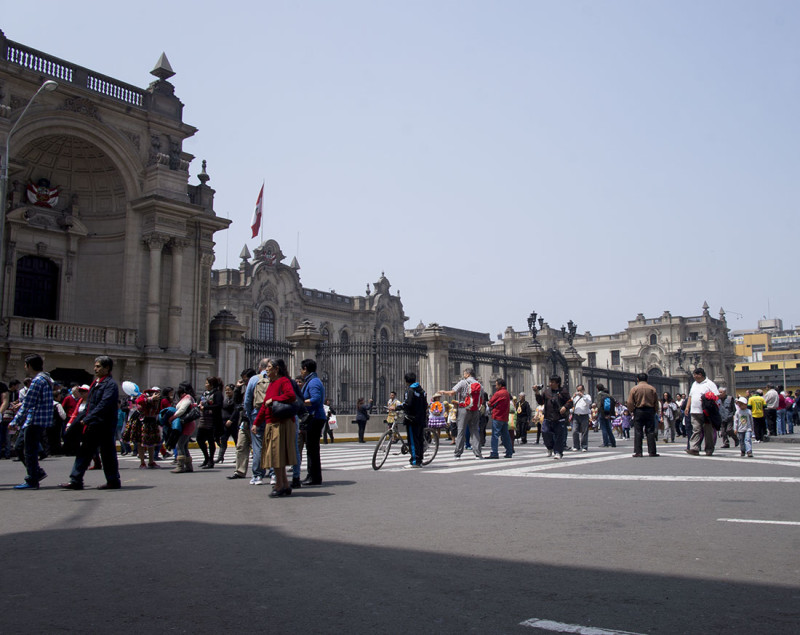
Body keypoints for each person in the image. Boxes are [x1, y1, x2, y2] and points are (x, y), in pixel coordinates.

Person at [60, 356, 121, 490]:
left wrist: (87, 419)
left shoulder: (110, 385)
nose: (95, 369)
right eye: (95, 366)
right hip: (93, 423)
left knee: (107, 453)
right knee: (85, 451)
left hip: (104, 424)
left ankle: (113, 480)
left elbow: (104, 404)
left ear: (107, 368)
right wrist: (82, 418)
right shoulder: (96, 383)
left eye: (98, 366)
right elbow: (90, 405)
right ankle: (76, 479)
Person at [252, 359, 296, 497]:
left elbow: (291, 395)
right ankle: (285, 484)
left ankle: (279, 485)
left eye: (269, 367)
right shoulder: (271, 384)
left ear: (276, 369)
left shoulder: (283, 381)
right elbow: (265, 406)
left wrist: (275, 399)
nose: (267, 370)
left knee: (276, 456)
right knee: (277, 456)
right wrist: (256, 423)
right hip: (271, 423)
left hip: (281, 423)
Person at [10, 354, 54, 489]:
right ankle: (36, 472)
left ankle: (32, 479)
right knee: (21, 447)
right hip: (39, 420)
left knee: (29, 450)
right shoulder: (47, 379)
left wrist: (15, 421)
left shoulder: (37, 381)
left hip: (34, 420)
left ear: (29, 366)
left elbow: (28, 403)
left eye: (25, 364)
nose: (25, 367)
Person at [440, 367, 483, 460]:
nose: (463, 375)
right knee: (475, 431)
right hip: (475, 410)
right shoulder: (479, 384)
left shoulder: (463, 382)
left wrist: (443, 392)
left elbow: (452, 393)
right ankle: (478, 453)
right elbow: (482, 397)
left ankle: (458, 453)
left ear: (467, 374)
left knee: (461, 431)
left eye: (464, 374)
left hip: (464, 408)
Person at [300, 358, 326, 487]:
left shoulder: (313, 382)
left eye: (302, 369)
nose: (301, 372)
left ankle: (314, 477)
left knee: (312, 449)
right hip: (316, 417)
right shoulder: (313, 380)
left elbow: (315, 399)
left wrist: (300, 402)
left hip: (314, 417)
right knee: (311, 448)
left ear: (305, 369)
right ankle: (313, 475)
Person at [534, 376, 572, 460]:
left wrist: (565, 407)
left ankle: (558, 452)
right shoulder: (546, 392)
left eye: (552, 382)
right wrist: (537, 392)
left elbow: (570, 401)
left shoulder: (563, 391)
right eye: (550, 382)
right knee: (545, 432)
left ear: (557, 383)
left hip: (559, 418)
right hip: (548, 417)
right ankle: (550, 447)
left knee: (558, 436)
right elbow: (541, 402)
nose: (550, 384)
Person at [244, 359, 270, 485]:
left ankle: (257, 475)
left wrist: (251, 416)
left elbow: (247, 400)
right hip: (271, 415)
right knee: (271, 444)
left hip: (257, 414)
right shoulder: (275, 378)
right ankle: (274, 474)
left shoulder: (254, 379)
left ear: (260, 367)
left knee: (258, 445)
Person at [684, 367, 719, 456]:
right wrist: (687, 407)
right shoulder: (694, 384)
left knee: (708, 431)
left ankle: (709, 449)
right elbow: (690, 396)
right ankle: (694, 448)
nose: (694, 377)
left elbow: (716, 397)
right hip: (694, 411)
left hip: (706, 412)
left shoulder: (710, 384)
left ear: (700, 375)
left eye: (695, 375)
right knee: (696, 430)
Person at [228, 369, 255, 480]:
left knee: (260, 448)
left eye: (245, 379)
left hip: (255, 422)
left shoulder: (257, 390)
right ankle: (240, 471)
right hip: (244, 422)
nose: (244, 382)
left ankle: (266, 470)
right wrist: (237, 388)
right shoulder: (245, 393)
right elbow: (236, 403)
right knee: (241, 446)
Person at [626, 372, 660, 458]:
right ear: (647, 379)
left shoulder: (634, 389)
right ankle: (652, 451)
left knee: (638, 432)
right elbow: (656, 401)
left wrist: (632, 410)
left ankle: (638, 452)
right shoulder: (652, 388)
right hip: (650, 410)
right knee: (650, 431)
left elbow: (630, 402)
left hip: (639, 410)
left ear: (637, 379)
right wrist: (655, 410)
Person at [400, 371, 428, 468]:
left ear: (406, 381)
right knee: (419, 439)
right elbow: (425, 405)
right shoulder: (421, 391)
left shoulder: (410, 390)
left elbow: (407, 404)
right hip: (421, 418)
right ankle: (419, 459)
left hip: (412, 419)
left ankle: (415, 461)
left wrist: (396, 407)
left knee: (412, 440)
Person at [169, 383, 197, 473]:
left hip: (187, 424)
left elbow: (182, 410)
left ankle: (180, 466)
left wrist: (173, 417)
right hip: (187, 423)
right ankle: (188, 466)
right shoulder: (189, 397)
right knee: (184, 445)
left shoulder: (187, 397)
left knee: (180, 444)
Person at [197, 376, 222, 469]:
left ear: (212, 384)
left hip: (212, 420)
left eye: (207, 383)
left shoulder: (217, 393)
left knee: (211, 440)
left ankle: (211, 460)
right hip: (203, 419)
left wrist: (206, 407)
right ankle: (206, 458)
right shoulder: (204, 393)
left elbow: (218, 405)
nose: (205, 385)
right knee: (199, 439)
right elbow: (200, 401)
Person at [134, 387, 163, 468]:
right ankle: (142, 462)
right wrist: (150, 399)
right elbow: (139, 403)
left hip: (152, 421)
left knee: (152, 443)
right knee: (141, 442)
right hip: (143, 422)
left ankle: (151, 461)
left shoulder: (157, 401)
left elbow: (157, 410)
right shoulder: (143, 397)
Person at [487, 378, 513, 459]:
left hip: (497, 416)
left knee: (495, 435)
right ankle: (509, 451)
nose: (495, 386)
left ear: (500, 385)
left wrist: (489, 403)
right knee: (506, 435)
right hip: (504, 417)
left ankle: (494, 452)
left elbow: (490, 403)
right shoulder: (507, 393)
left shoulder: (498, 393)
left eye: (496, 385)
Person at [570, 384, 592, 452]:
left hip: (584, 415)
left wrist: (582, 396)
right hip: (576, 415)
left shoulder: (587, 396)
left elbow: (589, 402)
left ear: (583, 390)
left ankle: (584, 446)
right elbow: (570, 403)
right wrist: (573, 397)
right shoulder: (575, 397)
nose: (579, 392)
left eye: (580, 390)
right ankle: (576, 446)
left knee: (584, 431)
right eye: (578, 390)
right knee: (574, 431)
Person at [595, 383, 617, 448]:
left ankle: (605, 443)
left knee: (604, 428)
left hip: (602, 413)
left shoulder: (599, 394)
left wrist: (598, 412)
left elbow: (599, 405)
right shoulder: (608, 395)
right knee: (608, 428)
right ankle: (613, 442)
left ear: (597, 388)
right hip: (609, 413)